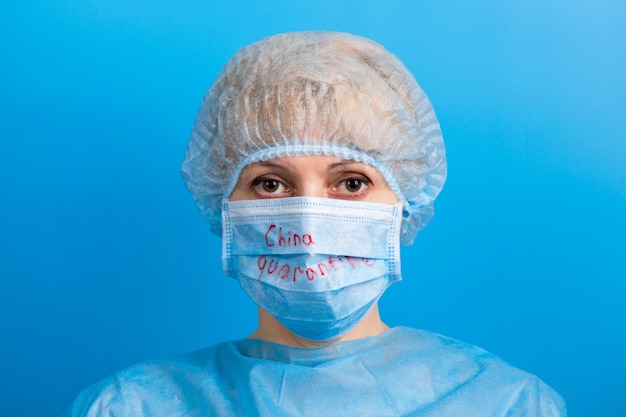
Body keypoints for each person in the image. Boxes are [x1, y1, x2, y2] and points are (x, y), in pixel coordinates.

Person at [65, 31, 566, 416]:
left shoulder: (507, 404)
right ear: (222, 204)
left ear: (406, 205)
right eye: (270, 184)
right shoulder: (130, 406)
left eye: (350, 183)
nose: (307, 220)